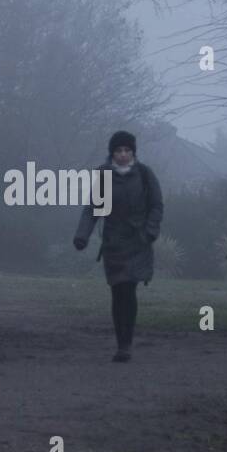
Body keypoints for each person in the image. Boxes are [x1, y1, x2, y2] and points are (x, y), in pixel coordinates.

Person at [73, 131, 164, 362]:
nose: (123, 155)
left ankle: (127, 344)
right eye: (118, 151)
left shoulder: (144, 174)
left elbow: (156, 205)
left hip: (138, 241)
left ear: (133, 152)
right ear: (112, 153)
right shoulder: (103, 176)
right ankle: (120, 342)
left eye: (127, 150)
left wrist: (150, 232)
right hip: (113, 243)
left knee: (129, 290)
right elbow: (94, 209)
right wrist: (82, 236)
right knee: (117, 291)